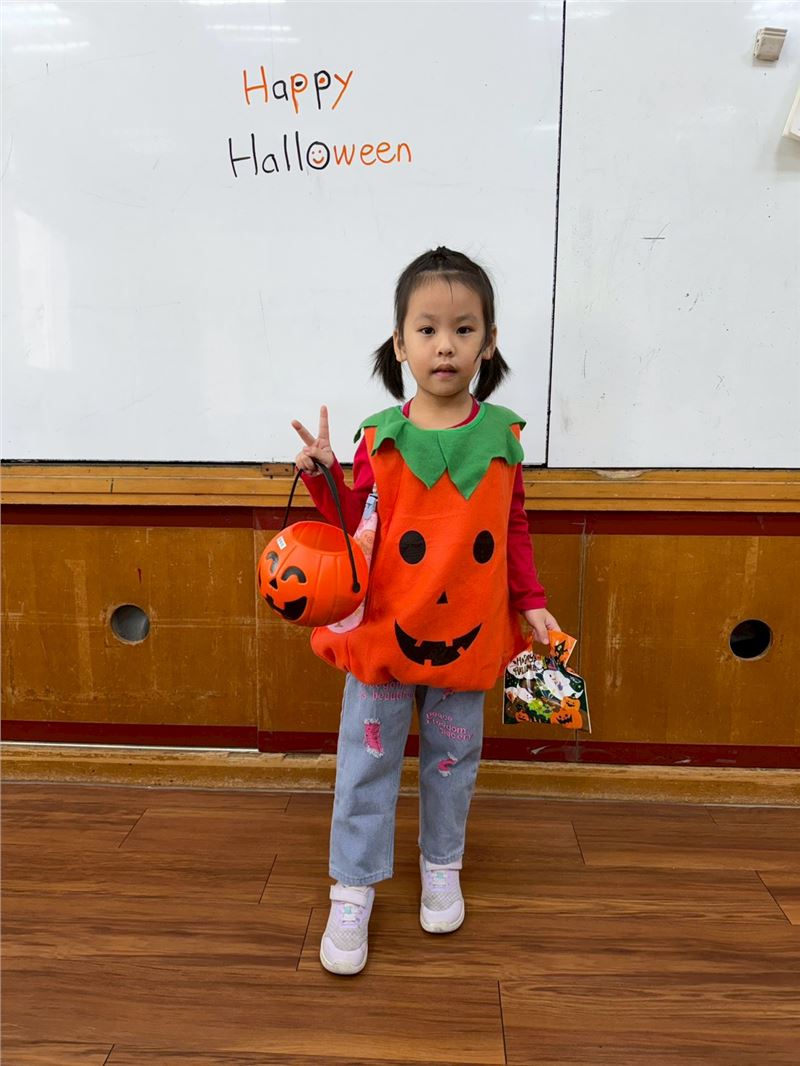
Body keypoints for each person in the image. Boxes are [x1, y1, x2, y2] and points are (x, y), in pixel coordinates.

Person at [291, 246, 559, 975]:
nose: (446, 345)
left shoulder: (502, 439)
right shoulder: (380, 437)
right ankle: (353, 886)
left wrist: (532, 603)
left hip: (465, 639)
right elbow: (354, 529)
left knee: (452, 761)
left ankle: (442, 864)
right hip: (386, 634)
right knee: (366, 765)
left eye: (464, 329)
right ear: (400, 341)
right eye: (428, 329)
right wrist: (325, 478)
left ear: (489, 342)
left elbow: (513, 529)